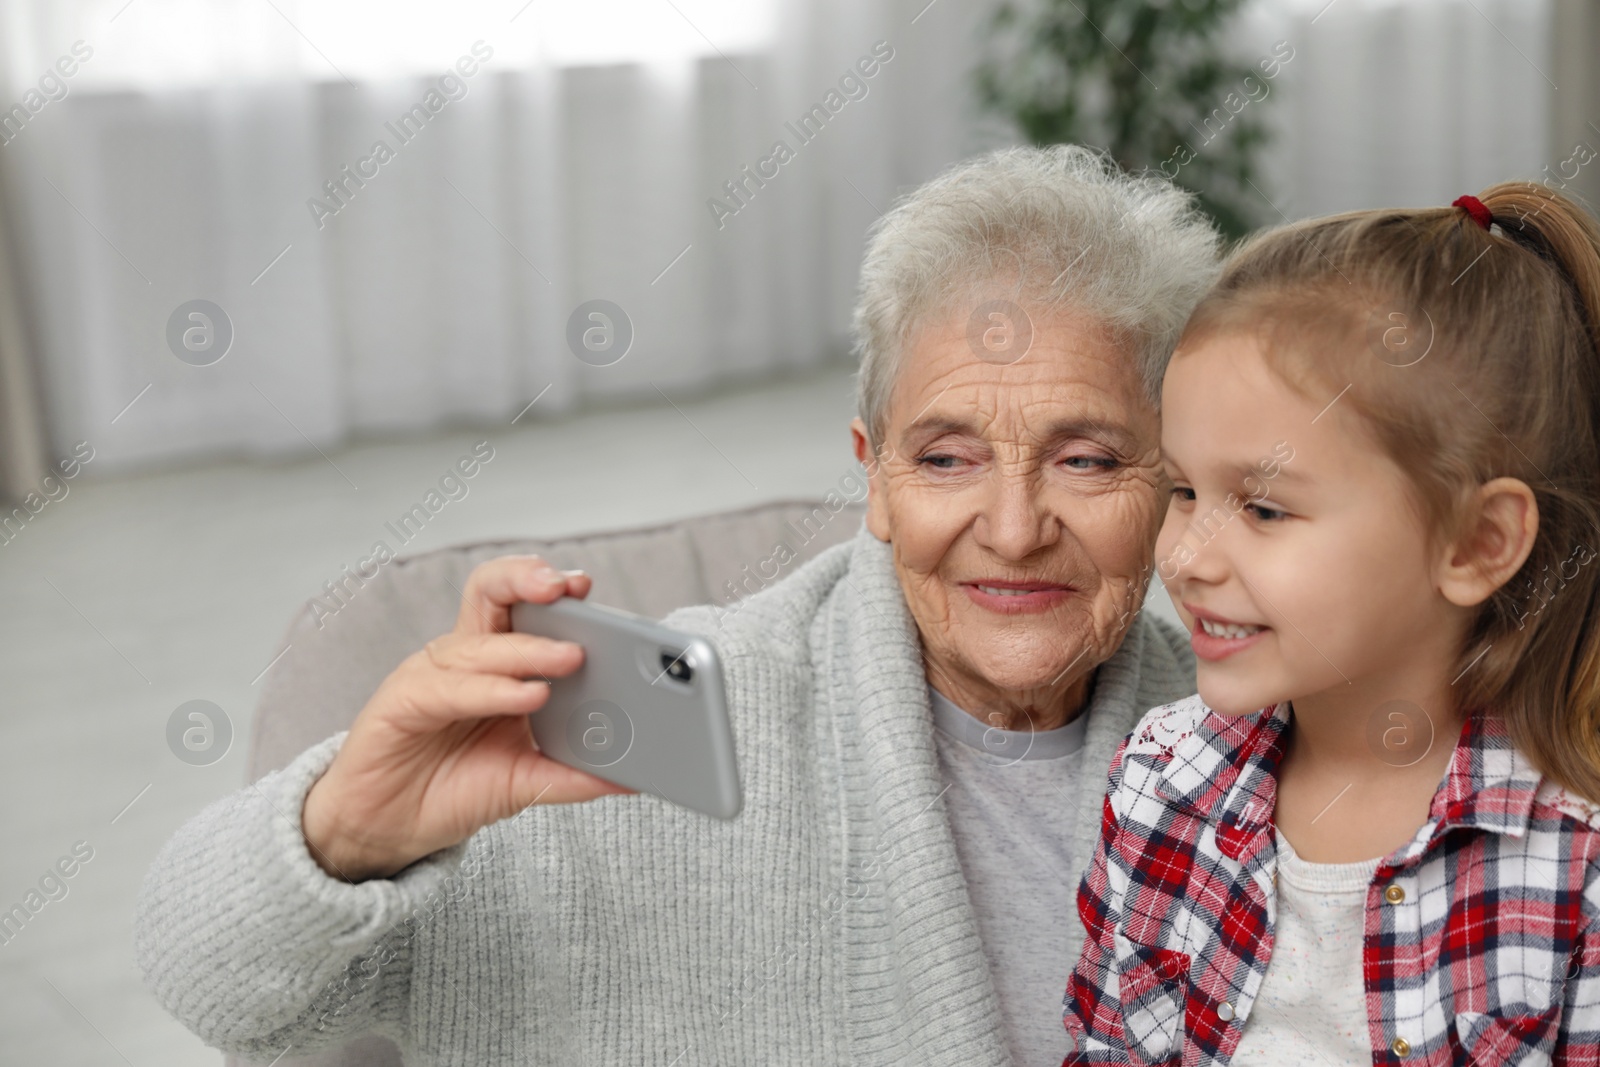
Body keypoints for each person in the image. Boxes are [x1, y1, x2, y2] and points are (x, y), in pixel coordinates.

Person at [135, 145, 1221, 1067]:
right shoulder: (647, 727)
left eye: (1085, 458)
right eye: (945, 458)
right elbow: (215, 979)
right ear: (875, 477)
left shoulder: (1243, 737)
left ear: (1173, 477)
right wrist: (345, 833)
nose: (1015, 523)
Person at [1065, 182, 1600, 1065]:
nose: (1190, 555)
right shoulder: (1160, 781)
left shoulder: (1571, 864)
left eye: (1265, 509)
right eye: (1184, 491)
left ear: (1477, 542)